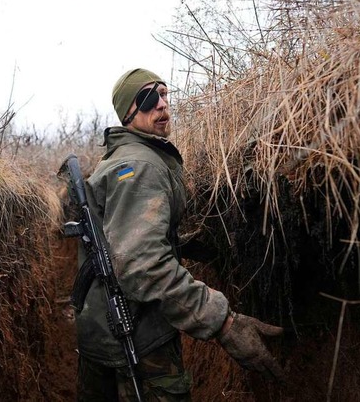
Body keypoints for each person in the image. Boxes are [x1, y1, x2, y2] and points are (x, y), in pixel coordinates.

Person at [75, 68, 284, 401]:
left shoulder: (117, 159)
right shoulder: (139, 165)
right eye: (148, 98)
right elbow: (141, 262)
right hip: (138, 339)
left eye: (164, 93)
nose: (161, 105)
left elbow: (122, 239)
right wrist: (222, 322)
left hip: (98, 334)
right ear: (128, 112)